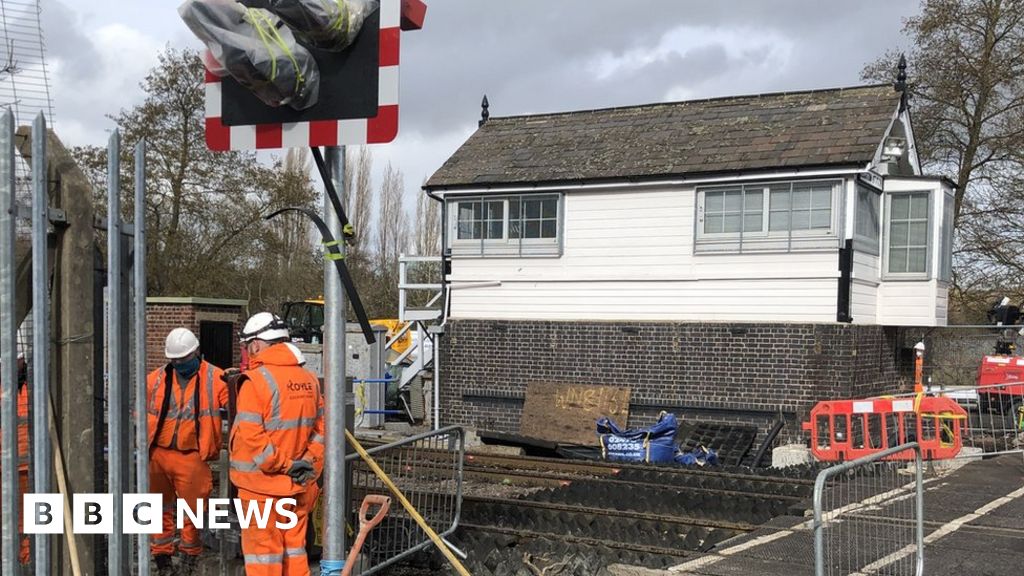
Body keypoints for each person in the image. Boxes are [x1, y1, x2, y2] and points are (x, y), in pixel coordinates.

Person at [230, 312, 324, 576]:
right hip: (299, 485)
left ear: (257, 344)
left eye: (248, 347)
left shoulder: (255, 382)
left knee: (264, 558)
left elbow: (253, 439)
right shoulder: (309, 380)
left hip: (261, 490)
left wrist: (285, 465)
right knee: (295, 553)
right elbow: (321, 431)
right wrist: (307, 462)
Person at [146, 328, 228, 575]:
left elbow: (237, 402)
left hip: (192, 455)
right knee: (159, 509)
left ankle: (189, 558)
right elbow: (140, 412)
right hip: (158, 454)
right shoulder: (156, 379)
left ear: (196, 353)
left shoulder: (217, 378)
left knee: (193, 511)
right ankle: (162, 559)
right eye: (175, 360)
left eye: (183, 359)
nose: (180, 364)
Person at [0, 347, 31, 565]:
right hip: (7, 466)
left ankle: (26, 562)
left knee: (26, 522)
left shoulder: (34, 390)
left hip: (27, 469)